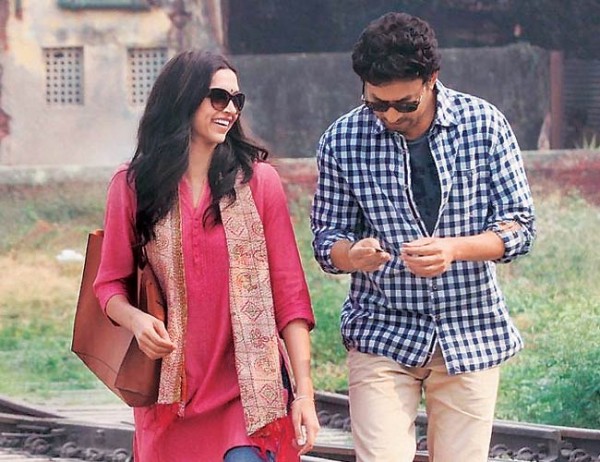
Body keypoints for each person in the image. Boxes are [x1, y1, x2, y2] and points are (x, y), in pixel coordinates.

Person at [311, 12, 536, 462]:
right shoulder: (341, 141)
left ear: (432, 79)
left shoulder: (484, 125)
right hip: (381, 331)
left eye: (405, 104)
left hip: (470, 331)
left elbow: (520, 227)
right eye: (377, 104)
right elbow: (326, 239)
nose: (391, 115)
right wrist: (353, 255)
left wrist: (454, 248)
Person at [94, 49, 320, 462]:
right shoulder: (133, 186)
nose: (230, 109)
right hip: (170, 397)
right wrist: (137, 321)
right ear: (183, 97)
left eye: (237, 100)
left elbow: (290, 297)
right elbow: (109, 284)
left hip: (248, 396)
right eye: (219, 97)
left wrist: (304, 393)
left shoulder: (259, 183)